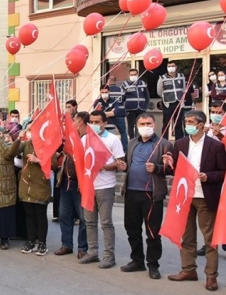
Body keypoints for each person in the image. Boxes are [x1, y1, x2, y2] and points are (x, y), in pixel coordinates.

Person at [166, 110, 226, 291]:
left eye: (191, 122)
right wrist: (168, 163)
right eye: (186, 121)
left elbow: (223, 171)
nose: (188, 125)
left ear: (201, 125)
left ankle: (211, 276)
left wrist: (207, 176)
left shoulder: (215, 146)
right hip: (184, 197)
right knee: (187, 236)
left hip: (205, 196)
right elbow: (175, 169)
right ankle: (188, 269)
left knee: (209, 239)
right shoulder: (181, 143)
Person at [116, 113, 173, 280]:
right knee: (132, 228)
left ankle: (153, 264)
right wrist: (124, 166)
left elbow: (171, 168)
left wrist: (156, 168)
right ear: (137, 125)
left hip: (151, 194)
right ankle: (137, 260)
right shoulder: (133, 143)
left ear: (154, 124)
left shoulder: (163, 144)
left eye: (148, 123)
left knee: (153, 232)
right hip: (132, 192)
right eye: (142, 123)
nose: (145, 126)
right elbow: (129, 164)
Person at [79, 110, 125, 269]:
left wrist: (103, 166)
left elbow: (120, 163)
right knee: (89, 222)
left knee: (106, 223)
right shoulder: (85, 138)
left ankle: (109, 256)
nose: (94, 125)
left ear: (105, 123)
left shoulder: (113, 140)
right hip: (88, 185)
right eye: (91, 122)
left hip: (105, 186)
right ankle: (92, 252)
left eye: (97, 122)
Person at [9, 128, 58, 256]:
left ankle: (42, 243)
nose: (31, 133)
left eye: (33, 130)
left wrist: (39, 161)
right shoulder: (25, 144)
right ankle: (30, 241)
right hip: (26, 185)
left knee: (40, 215)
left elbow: (54, 165)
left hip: (41, 185)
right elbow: (10, 153)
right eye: (30, 130)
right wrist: (18, 139)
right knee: (29, 215)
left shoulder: (48, 146)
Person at [55, 111, 88, 259]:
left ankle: (83, 247)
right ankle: (66, 244)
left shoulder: (87, 139)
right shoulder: (69, 138)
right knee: (64, 215)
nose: (72, 123)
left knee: (83, 217)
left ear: (80, 122)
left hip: (80, 183)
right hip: (65, 182)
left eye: (74, 120)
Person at [157, 61, 191, 140]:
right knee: (166, 124)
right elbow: (159, 91)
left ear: (176, 67)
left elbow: (183, 88)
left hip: (178, 103)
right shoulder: (162, 78)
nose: (171, 67)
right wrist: (166, 97)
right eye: (169, 66)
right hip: (168, 104)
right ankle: (164, 141)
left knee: (178, 124)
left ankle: (179, 142)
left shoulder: (181, 76)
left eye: (172, 66)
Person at [92, 84, 128, 152]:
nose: (104, 94)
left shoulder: (114, 101)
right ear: (100, 92)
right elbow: (96, 114)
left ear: (109, 92)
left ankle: (125, 150)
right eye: (102, 92)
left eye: (106, 92)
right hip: (100, 130)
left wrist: (102, 113)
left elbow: (114, 113)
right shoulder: (97, 102)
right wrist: (109, 113)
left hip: (111, 128)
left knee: (111, 149)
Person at [122, 68, 150, 139]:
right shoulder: (125, 84)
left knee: (141, 124)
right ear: (129, 75)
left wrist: (146, 107)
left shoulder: (143, 83)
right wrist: (124, 109)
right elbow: (122, 98)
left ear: (137, 75)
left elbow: (147, 96)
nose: (133, 76)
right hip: (130, 109)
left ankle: (140, 138)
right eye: (131, 75)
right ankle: (132, 140)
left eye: (134, 74)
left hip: (141, 108)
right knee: (131, 126)